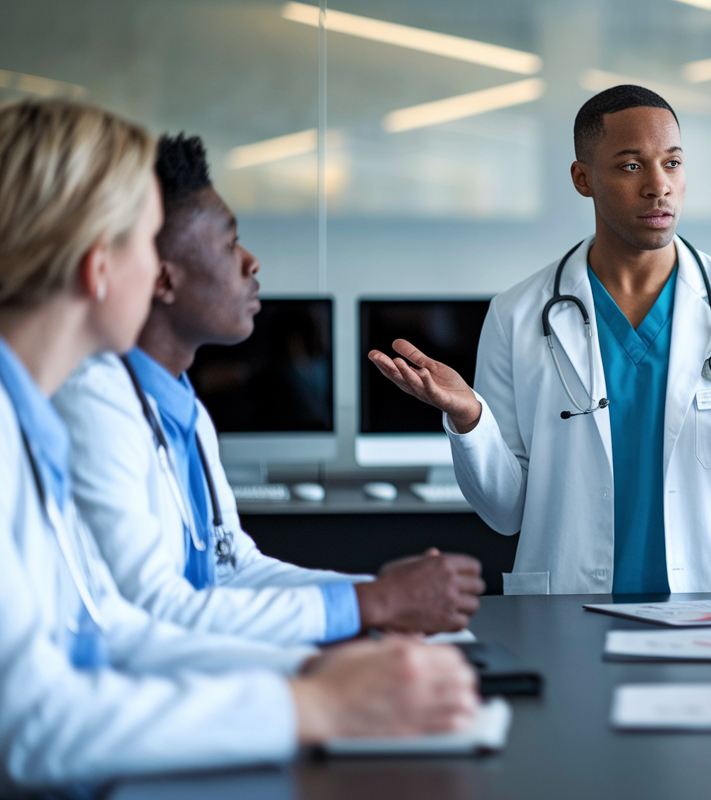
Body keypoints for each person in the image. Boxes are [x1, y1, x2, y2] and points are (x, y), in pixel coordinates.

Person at [0, 98, 476, 790]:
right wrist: (310, 700)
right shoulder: (55, 414)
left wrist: (316, 671)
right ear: (101, 266)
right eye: (143, 237)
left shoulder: (34, 423)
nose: (250, 263)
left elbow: (113, 630)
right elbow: (30, 721)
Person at [369, 85, 711, 595]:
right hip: (567, 601)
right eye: (631, 165)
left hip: (709, 605)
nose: (658, 186)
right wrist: (469, 419)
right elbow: (506, 512)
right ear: (583, 178)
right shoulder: (516, 314)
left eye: (673, 162)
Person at [53, 133, 484, 646]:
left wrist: (384, 596)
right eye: (228, 242)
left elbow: (233, 569)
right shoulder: (94, 402)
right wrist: (375, 603)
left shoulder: (179, 401)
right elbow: (150, 608)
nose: (251, 262)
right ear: (162, 278)